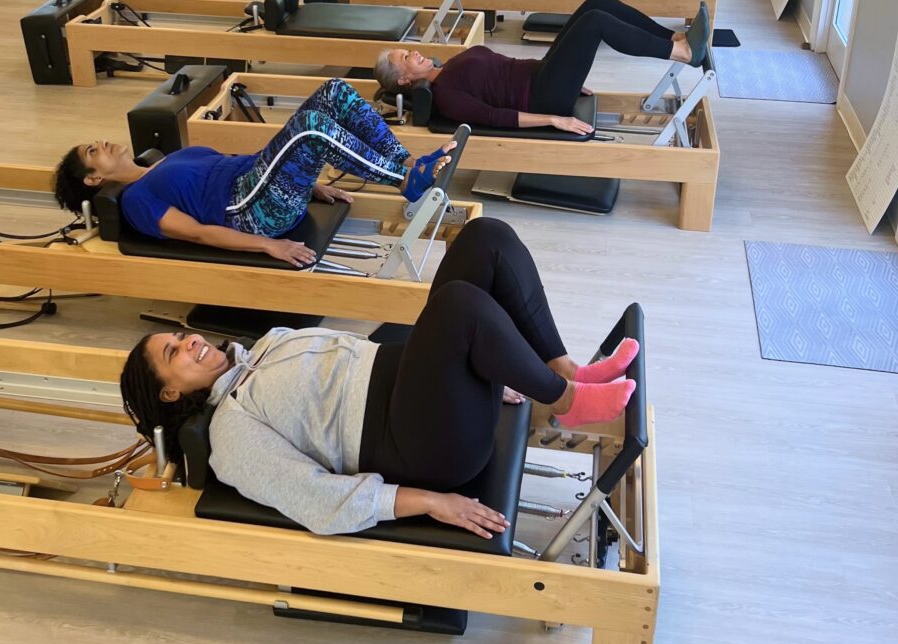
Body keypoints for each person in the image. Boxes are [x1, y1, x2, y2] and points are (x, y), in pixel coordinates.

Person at [119, 218, 639, 539]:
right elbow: (313, 499)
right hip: (424, 449)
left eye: (180, 336)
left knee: (486, 239)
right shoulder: (231, 432)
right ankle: (566, 401)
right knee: (458, 306)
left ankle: (566, 371)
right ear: (170, 391)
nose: (189, 341)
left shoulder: (263, 347)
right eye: (173, 352)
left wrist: (473, 371)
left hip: (432, 401)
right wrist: (431, 502)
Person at [53, 78, 457, 268]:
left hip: (261, 182)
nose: (102, 143)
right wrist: (268, 246)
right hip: (250, 211)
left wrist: (305, 182)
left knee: (334, 92)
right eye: (93, 151)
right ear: (93, 179)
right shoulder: (137, 201)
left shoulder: (158, 163)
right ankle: (404, 181)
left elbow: (235, 161)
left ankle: (406, 162)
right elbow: (200, 234)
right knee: (312, 128)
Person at [375, 0, 711, 134]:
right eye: (405, 58)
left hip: (544, 74)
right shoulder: (446, 94)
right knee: (595, 22)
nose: (413, 53)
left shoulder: (447, 67)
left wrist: (567, 72)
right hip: (542, 97)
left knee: (597, 2)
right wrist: (553, 118)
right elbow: (494, 117)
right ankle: (682, 53)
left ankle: (675, 38)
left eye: (407, 50)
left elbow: (504, 70)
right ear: (403, 80)